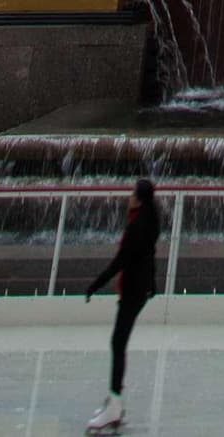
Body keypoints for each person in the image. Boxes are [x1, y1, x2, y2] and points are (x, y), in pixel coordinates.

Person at [84, 177, 161, 431]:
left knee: (117, 344)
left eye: (132, 194)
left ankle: (114, 406)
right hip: (139, 290)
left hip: (132, 291)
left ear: (139, 199)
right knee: (119, 343)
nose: (129, 197)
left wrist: (95, 285)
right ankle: (114, 401)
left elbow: (120, 261)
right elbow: (150, 255)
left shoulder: (137, 226)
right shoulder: (150, 220)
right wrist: (153, 283)